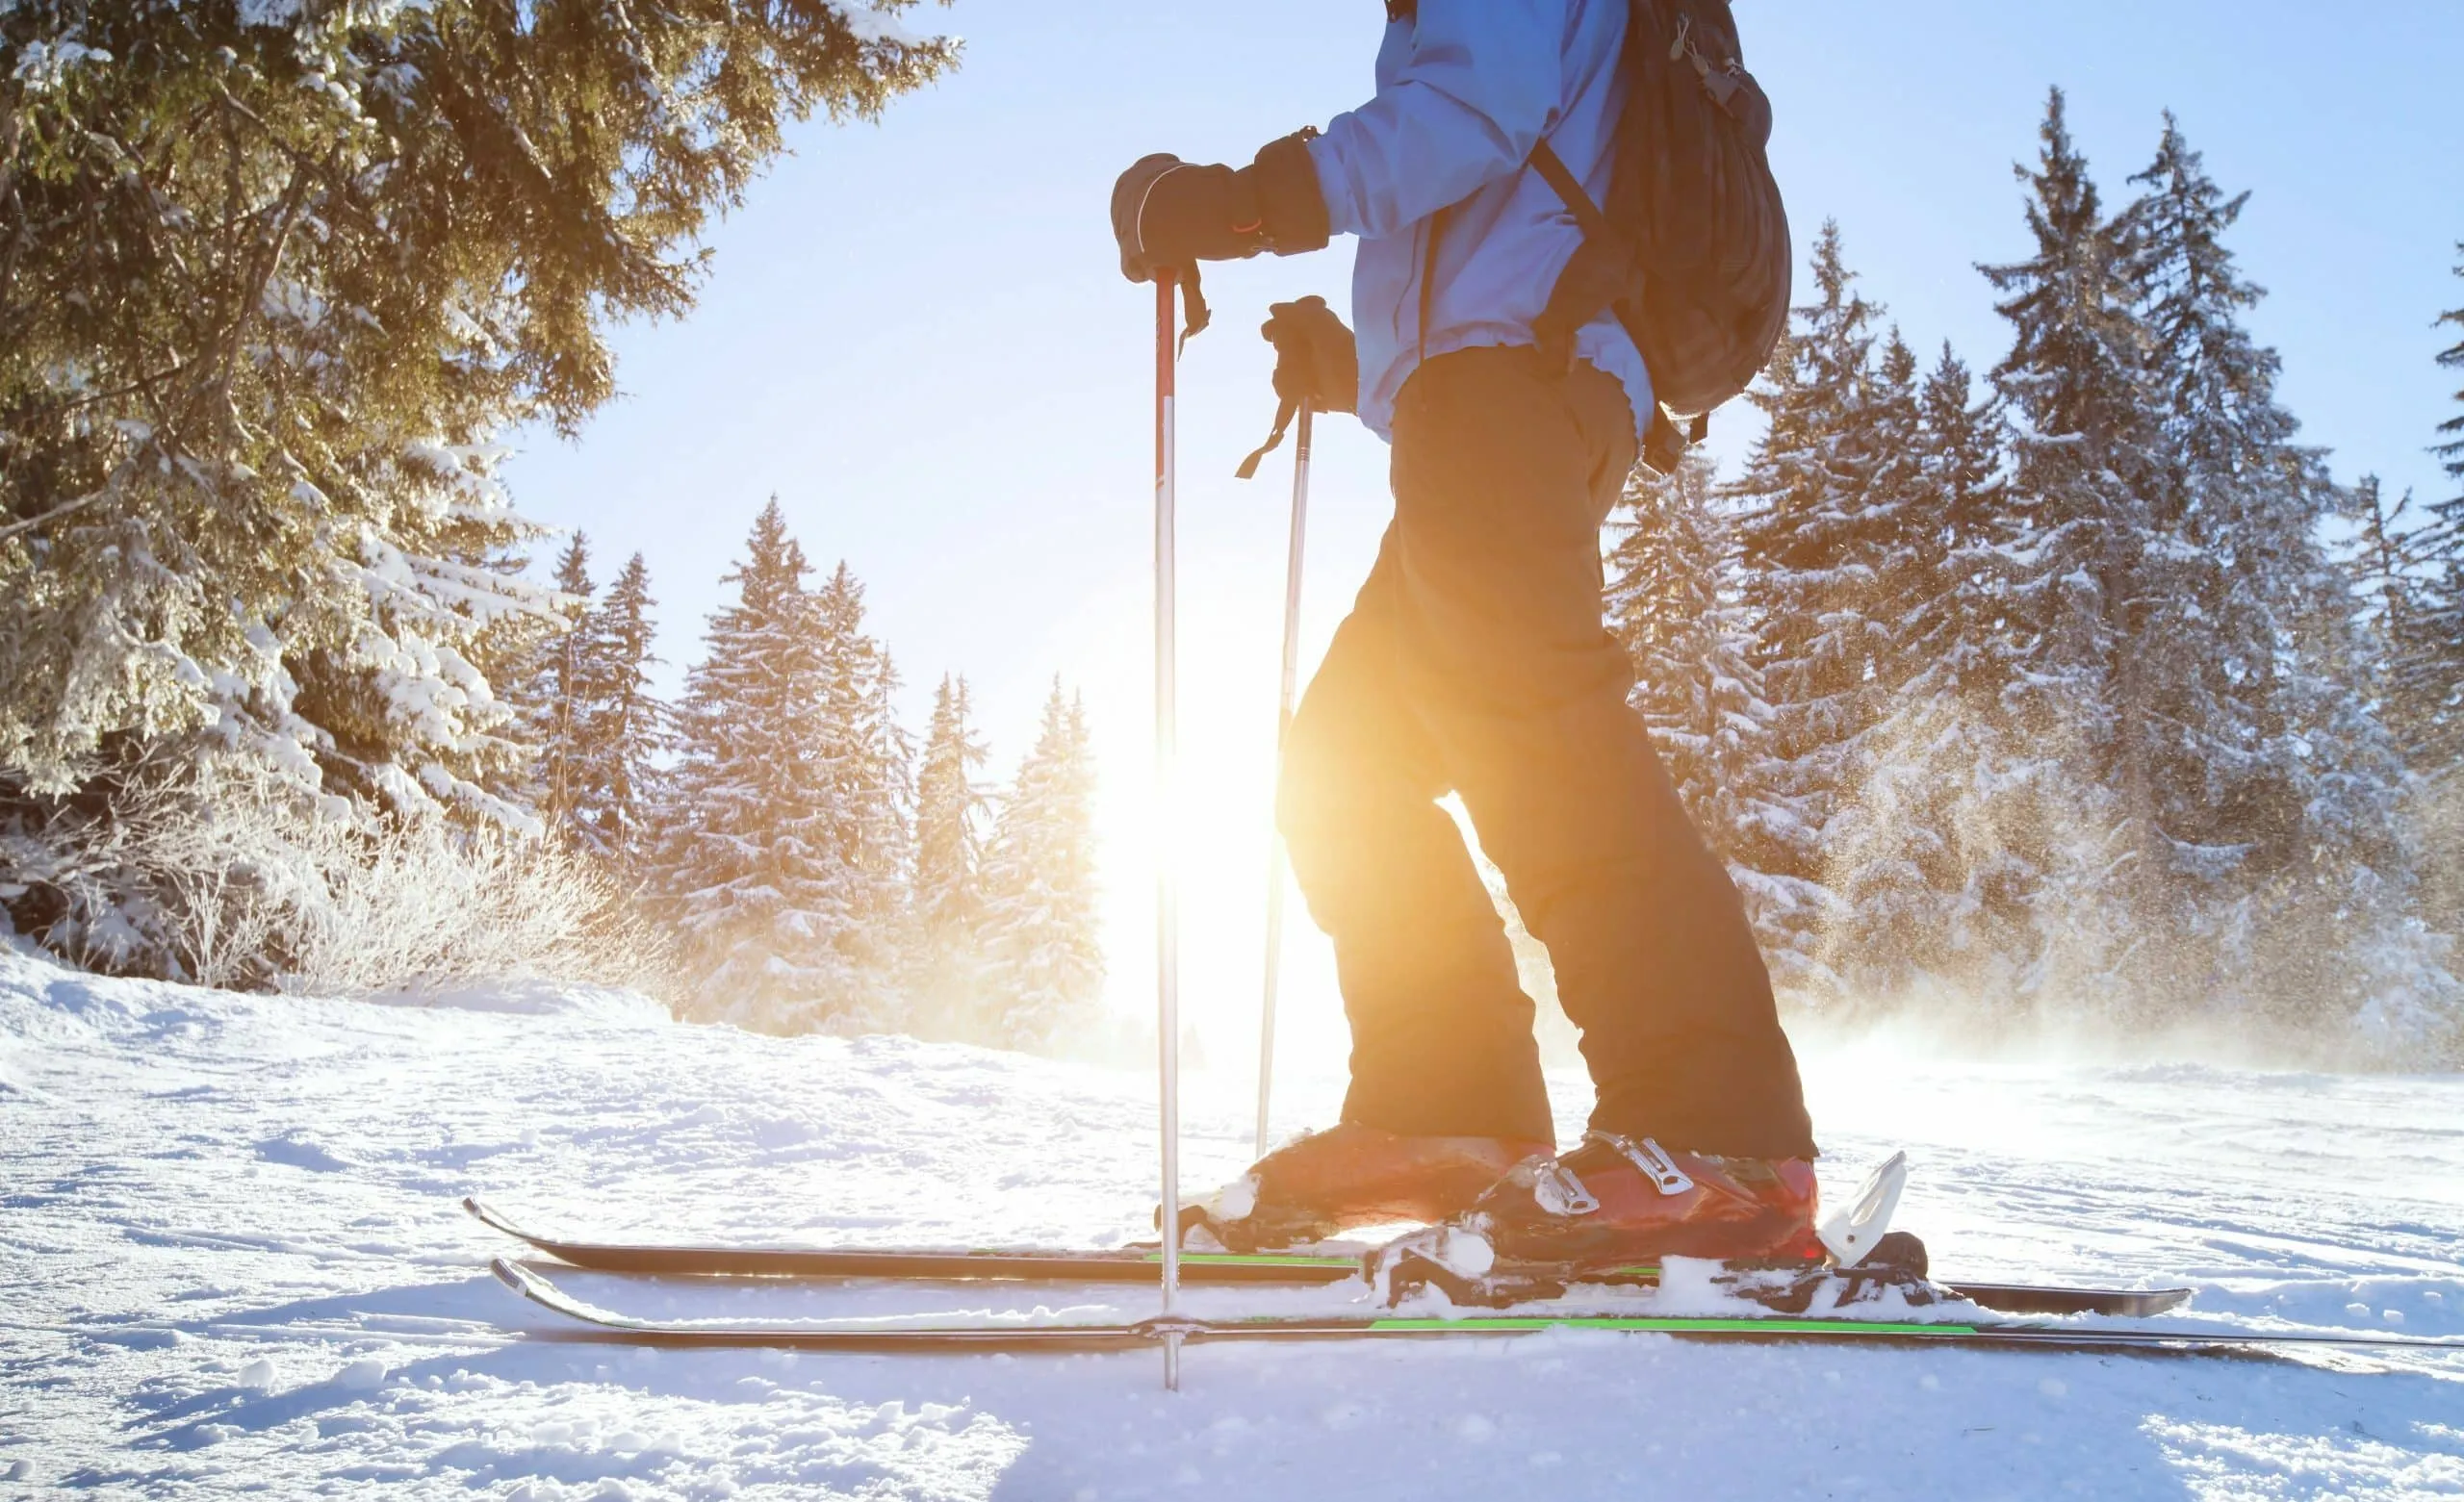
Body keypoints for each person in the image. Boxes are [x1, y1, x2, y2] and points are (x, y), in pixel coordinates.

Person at [1109, 0, 1821, 1278]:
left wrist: (1248, 203)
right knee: (1346, 762)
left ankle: (1717, 1136)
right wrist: (1360, 366)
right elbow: (1514, 203)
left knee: (1527, 719)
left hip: (1516, 386)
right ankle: (1450, 1110)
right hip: (1500, 391)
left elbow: (1465, 120)